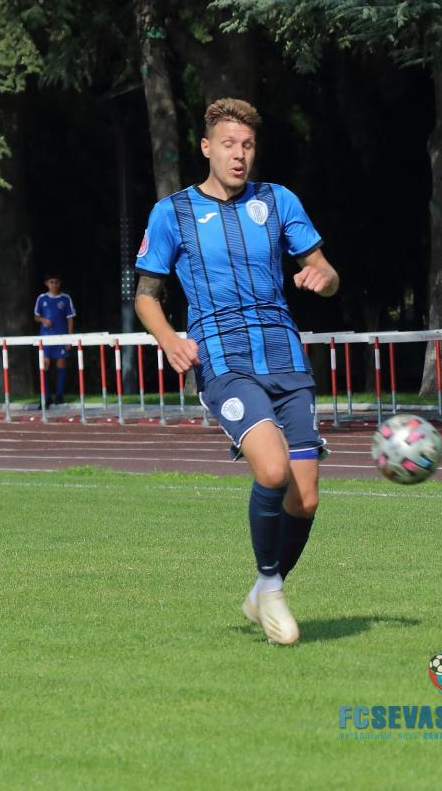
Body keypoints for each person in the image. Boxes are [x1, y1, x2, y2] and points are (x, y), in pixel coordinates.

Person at [133, 98, 340, 646]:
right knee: (271, 471)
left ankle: (263, 590)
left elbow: (323, 269)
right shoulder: (173, 212)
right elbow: (146, 295)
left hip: (285, 358)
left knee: (306, 498)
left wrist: (324, 279)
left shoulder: (278, 201)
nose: (239, 154)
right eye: (228, 144)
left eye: (247, 145)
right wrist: (170, 338)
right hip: (222, 362)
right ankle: (270, 586)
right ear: (207, 148)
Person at [33, 273, 76, 405]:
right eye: (51, 282)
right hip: (46, 337)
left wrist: (69, 338)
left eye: (56, 282)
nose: (54, 285)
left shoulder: (65, 298)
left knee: (61, 363)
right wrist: (43, 320)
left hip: (61, 336)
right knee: (45, 364)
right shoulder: (42, 298)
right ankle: (46, 396)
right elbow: (36, 316)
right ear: (47, 284)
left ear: (60, 283)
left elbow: (70, 319)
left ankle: (59, 395)